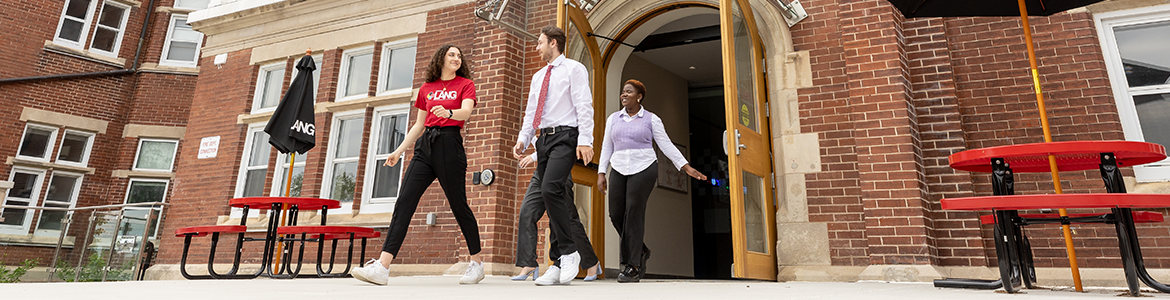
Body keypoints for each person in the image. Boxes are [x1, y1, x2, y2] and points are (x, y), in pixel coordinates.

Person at [351, 45, 484, 285]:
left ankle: (477, 263)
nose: (457, 58)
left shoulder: (465, 84)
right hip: (425, 147)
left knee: (458, 205)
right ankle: (382, 267)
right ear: (441, 58)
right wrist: (398, 151)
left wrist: (448, 112)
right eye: (452, 54)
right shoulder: (427, 88)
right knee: (404, 202)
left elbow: (466, 112)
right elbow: (419, 124)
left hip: (450, 144)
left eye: (459, 55)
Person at [597, 79, 707, 283]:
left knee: (633, 211)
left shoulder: (651, 119)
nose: (624, 95)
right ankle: (641, 250)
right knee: (615, 213)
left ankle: (632, 266)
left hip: (644, 167)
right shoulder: (613, 119)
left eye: (629, 92)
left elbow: (665, 145)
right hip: (619, 167)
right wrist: (601, 172)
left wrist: (686, 166)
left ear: (639, 97)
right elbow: (606, 146)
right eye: (623, 92)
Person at [512, 25, 595, 286]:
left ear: (554, 43)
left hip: (565, 136)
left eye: (540, 43)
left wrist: (585, 140)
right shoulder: (538, 76)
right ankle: (557, 264)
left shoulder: (573, 69)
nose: (537, 47)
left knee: (549, 190)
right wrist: (523, 139)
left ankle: (569, 252)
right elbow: (531, 111)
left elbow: (584, 105)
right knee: (554, 198)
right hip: (543, 139)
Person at [513, 153, 602, 282]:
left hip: (559, 167)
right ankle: (528, 262)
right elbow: (531, 135)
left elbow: (556, 143)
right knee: (527, 212)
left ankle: (591, 262)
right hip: (541, 170)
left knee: (568, 219)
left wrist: (532, 157)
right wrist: (521, 141)